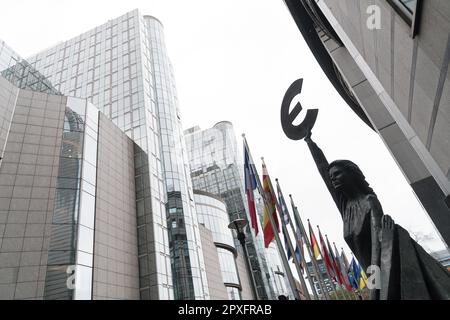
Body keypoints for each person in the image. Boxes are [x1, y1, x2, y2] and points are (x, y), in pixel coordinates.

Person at [304, 131, 450, 299]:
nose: (333, 179)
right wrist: (310, 143)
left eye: (337, 174)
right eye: (332, 177)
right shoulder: (345, 208)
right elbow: (324, 172)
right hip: (372, 273)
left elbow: (378, 245)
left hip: (384, 270)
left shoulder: (369, 201)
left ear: (351, 174)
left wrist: (375, 286)